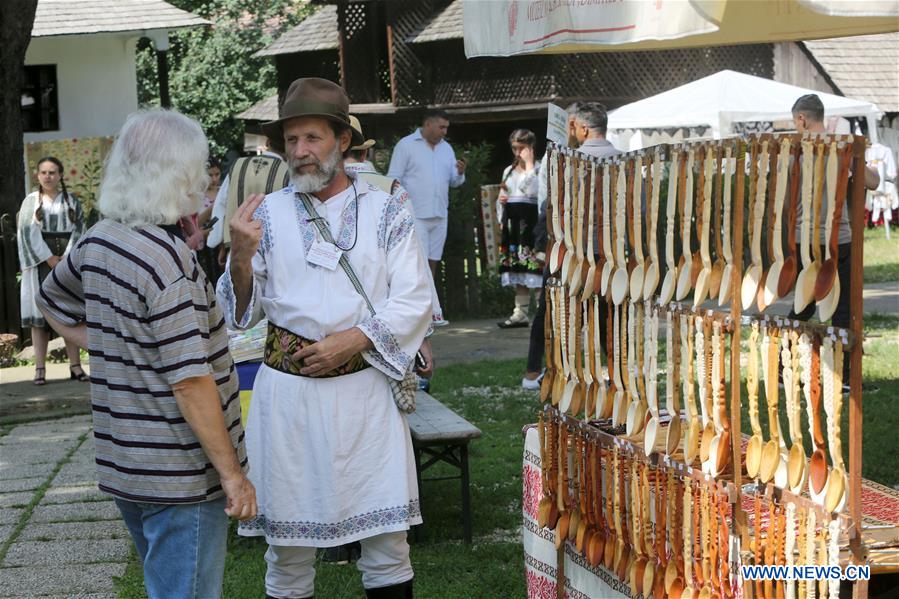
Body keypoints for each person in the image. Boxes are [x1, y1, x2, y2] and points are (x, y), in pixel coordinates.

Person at [218, 78, 431, 598]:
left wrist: (354, 339)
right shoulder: (267, 213)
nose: (300, 151)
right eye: (291, 140)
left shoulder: (386, 208)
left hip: (364, 395)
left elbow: (414, 298)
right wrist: (240, 256)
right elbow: (240, 314)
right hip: (287, 400)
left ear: (342, 140)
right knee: (287, 552)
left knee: (387, 544)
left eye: (312, 138)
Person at [36, 109, 256, 598]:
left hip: (127, 463)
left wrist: (107, 342)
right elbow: (190, 382)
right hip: (179, 474)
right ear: (179, 173)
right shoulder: (167, 264)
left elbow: (50, 299)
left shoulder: (99, 238)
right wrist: (233, 475)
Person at [788, 94, 879, 331]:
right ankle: (843, 356)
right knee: (842, 309)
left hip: (804, 240)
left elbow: (783, 200)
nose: (796, 128)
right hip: (839, 239)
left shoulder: (792, 150)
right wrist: (864, 164)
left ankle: (784, 351)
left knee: (803, 305)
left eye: (795, 123)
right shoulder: (842, 147)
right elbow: (873, 182)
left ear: (802, 119)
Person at [16, 156, 87, 385]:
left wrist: (67, 258)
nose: (48, 176)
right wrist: (48, 258)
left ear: (60, 175)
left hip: (67, 262)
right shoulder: (31, 202)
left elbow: (80, 230)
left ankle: (75, 366)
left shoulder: (72, 201)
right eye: (44, 172)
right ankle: (40, 368)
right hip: (41, 263)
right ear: (37, 175)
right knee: (39, 319)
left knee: (70, 314)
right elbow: (27, 232)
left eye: (52, 172)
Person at [388, 109, 467, 278]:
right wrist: (401, 210)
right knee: (418, 263)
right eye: (441, 127)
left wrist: (460, 173)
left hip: (440, 214)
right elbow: (393, 179)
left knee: (433, 262)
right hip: (415, 214)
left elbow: (454, 182)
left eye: (446, 128)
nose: (445, 132)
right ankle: (419, 295)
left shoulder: (446, 148)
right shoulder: (406, 145)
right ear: (428, 124)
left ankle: (431, 296)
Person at [207, 139, 290, 266]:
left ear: (267, 143)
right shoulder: (288, 171)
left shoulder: (238, 165)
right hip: (275, 253)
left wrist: (218, 241)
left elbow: (221, 205)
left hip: (236, 249)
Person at [497, 129, 542, 329]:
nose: (517, 153)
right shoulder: (509, 170)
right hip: (513, 225)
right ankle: (520, 313)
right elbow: (502, 194)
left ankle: (541, 311)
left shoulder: (539, 169)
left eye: (521, 148)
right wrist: (501, 203)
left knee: (536, 268)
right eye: (514, 148)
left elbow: (531, 190)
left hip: (532, 225)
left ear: (530, 147)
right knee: (517, 267)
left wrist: (529, 164)